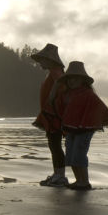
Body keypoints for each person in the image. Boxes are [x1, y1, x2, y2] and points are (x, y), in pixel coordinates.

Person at [52, 61, 108, 190]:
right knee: (70, 155)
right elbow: (58, 107)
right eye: (69, 78)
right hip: (71, 129)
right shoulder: (66, 94)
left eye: (75, 78)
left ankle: (84, 181)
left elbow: (99, 108)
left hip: (85, 130)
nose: (72, 81)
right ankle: (78, 180)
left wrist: (93, 122)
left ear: (82, 80)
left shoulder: (88, 94)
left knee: (79, 155)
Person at [31, 44, 69, 187]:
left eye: (42, 60)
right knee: (54, 145)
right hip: (51, 115)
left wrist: (52, 93)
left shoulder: (55, 71)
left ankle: (60, 176)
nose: (40, 63)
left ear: (49, 60)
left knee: (55, 145)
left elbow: (61, 81)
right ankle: (57, 174)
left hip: (54, 116)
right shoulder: (53, 71)